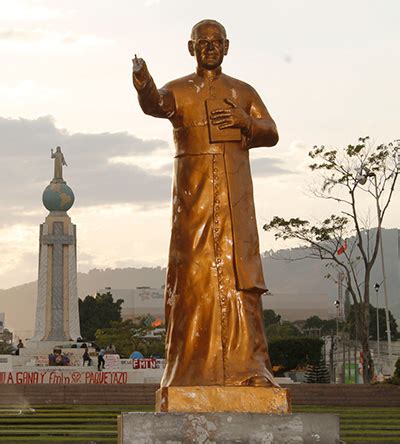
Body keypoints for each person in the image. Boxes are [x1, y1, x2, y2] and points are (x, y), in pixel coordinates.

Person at [132, 20, 278, 388]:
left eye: (216, 42)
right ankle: (190, 370)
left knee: (238, 278)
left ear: (227, 47)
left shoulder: (242, 91)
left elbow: (272, 132)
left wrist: (246, 122)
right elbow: (157, 104)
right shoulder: (180, 90)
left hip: (233, 198)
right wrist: (144, 82)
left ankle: (249, 368)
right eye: (202, 42)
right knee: (193, 279)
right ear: (190, 47)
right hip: (193, 199)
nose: (209, 48)